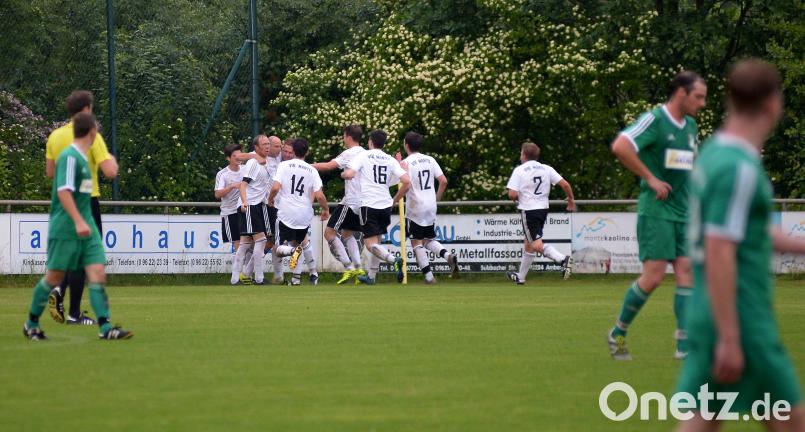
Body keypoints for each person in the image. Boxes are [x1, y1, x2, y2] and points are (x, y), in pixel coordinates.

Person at [676, 59, 805, 431]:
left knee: (701, 421)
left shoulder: (714, 153)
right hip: (742, 315)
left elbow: (749, 231)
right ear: (772, 104)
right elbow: (719, 248)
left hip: (709, 308)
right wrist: (731, 337)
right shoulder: (739, 167)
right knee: (791, 422)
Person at [607, 71, 707, 361]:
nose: (702, 103)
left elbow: (688, 167)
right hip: (657, 211)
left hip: (684, 213)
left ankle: (684, 346)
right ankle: (618, 333)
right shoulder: (655, 120)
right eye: (698, 96)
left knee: (687, 272)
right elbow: (621, 146)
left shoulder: (690, 126)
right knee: (653, 278)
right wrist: (650, 178)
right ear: (681, 93)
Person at [24, 112, 132, 340]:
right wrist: (79, 220)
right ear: (92, 132)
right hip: (66, 227)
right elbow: (63, 191)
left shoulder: (83, 158)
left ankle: (105, 327)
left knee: (97, 271)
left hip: (86, 226)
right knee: (54, 277)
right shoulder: (71, 157)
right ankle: (31, 323)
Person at [46, 90, 118, 326]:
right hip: (87, 202)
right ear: (86, 109)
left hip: (63, 203)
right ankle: (74, 313)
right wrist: (111, 160)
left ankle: (58, 288)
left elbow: (50, 173)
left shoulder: (55, 136)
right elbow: (110, 172)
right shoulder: (92, 135)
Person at [342, 129, 410, 284]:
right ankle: (371, 278)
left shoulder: (363, 155)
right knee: (377, 242)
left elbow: (350, 174)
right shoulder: (389, 159)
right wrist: (394, 200)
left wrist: (344, 174)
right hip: (385, 205)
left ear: (370, 142)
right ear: (383, 143)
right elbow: (407, 182)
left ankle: (394, 260)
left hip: (369, 204)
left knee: (369, 244)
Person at [504, 142, 575, 285]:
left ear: (524, 155)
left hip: (529, 210)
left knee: (536, 244)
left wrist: (517, 198)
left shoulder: (520, 170)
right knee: (529, 243)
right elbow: (565, 184)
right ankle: (521, 277)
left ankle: (562, 259)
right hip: (543, 209)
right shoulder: (546, 168)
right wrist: (571, 200)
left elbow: (512, 194)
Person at [268, 138, 329, 285]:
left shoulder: (283, 165)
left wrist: (270, 199)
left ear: (293, 151)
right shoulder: (312, 170)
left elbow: (276, 187)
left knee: (278, 248)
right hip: (304, 215)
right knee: (300, 243)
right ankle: (311, 275)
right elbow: (319, 195)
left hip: (286, 213)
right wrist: (326, 209)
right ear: (306, 152)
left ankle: (287, 261)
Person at [400, 131, 458, 283]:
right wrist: (436, 199)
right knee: (428, 239)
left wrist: (394, 200)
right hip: (430, 206)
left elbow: (405, 185)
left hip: (415, 207)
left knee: (416, 243)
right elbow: (443, 181)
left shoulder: (406, 163)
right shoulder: (430, 160)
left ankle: (429, 277)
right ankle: (447, 256)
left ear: (406, 145)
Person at [312, 124, 366, 284]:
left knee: (329, 233)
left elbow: (329, 166)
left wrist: (308, 166)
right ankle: (358, 268)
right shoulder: (366, 153)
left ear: (348, 137)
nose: (343, 139)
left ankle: (349, 269)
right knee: (348, 234)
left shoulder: (350, 153)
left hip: (351, 201)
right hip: (363, 201)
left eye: (344, 136)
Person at [230, 136, 271, 285]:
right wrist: (245, 202)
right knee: (261, 240)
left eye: (268, 143)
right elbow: (243, 185)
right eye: (264, 144)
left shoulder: (265, 163)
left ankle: (235, 279)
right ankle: (259, 279)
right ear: (256, 147)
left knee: (245, 243)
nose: (267, 146)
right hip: (250, 205)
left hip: (257, 205)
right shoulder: (253, 163)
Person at [215, 143, 244, 278]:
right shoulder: (223, 174)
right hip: (230, 212)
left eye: (240, 154)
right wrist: (232, 186)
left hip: (244, 211)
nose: (238, 157)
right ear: (228, 158)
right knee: (237, 243)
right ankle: (236, 277)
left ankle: (245, 274)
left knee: (249, 243)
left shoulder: (245, 170)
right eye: (234, 155)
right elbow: (217, 194)